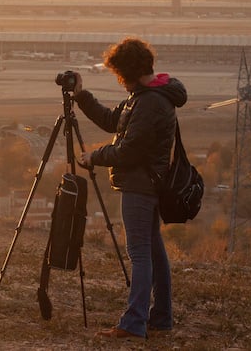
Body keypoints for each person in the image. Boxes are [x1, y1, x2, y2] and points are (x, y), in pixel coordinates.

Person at [72, 37, 186, 340]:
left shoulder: (150, 102)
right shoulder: (146, 95)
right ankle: (160, 319)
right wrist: (82, 97)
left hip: (140, 185)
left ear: (127, 70)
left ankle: (134, 323)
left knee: (139, 254)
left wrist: (93, 157)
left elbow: (129, 151)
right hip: (147, 183)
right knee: (153, 252)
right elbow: (113, 121)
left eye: (119, 74)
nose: (119, 81)